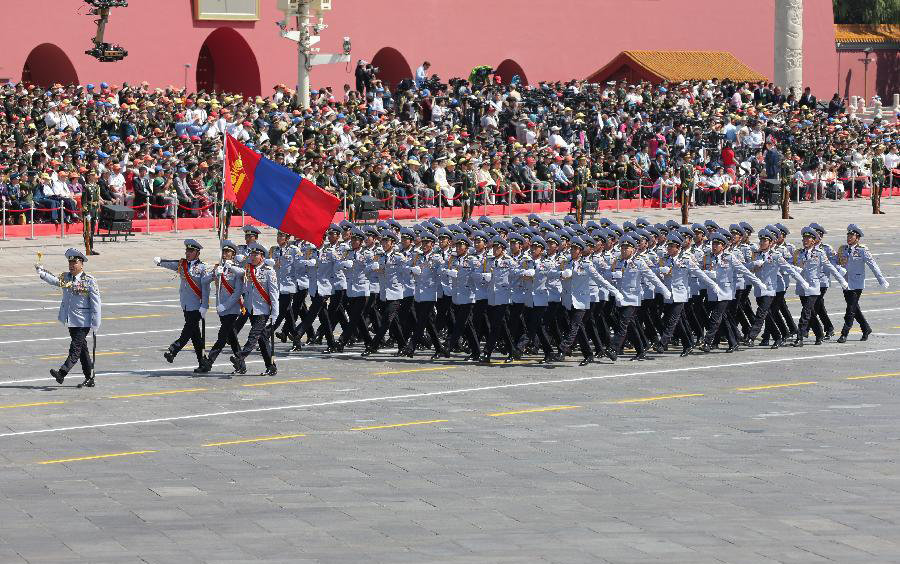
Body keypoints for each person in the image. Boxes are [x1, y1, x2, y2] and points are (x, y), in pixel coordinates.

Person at [35, 248, 101, 388]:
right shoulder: (66, 277)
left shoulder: (89, 281)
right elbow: (55, 281)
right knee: (82, 350)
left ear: (81, 264)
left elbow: (96, 303)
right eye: (70, 263)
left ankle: (62, 373)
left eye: (74, 263)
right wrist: (42, 273)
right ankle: (90, 377)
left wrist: (96, 322)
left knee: (75, 349)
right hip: (71, 320)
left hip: (83, 322)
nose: (71, 265)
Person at [154, 239, 211, 372]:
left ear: (197, 253)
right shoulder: (182, 264)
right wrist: (160, 262)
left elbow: (206, 288)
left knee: (188, 330)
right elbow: (172, 264)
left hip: (197, 306)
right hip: (185, 304)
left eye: (191, 251)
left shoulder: (203, 268)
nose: (188, 253)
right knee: (195, 336)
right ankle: (203, 363)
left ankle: (173, 350)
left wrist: (204, 305)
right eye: (187, 250)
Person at [230, 242, 279, 375]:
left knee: (253, 336)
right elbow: (240, 274)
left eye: (255, 254)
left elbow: (274, 293)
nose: (252, 257)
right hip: (251, 309)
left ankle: (240, 357)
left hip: (262, 310)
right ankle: (271, 366)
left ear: (262, 256)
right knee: (262, 339)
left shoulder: (269, 271)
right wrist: (230, 266)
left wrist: (275, 313)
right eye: (251, 254)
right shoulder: (248, 269)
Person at [835, 224, 889, 343]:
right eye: (848, 235)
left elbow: (873, 265)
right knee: (855, 309)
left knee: (850, 310)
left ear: (857, 238)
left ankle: (844, 333)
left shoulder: (862, 250)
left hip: (857, 284)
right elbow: (834, 261)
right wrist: (839, 268)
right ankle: (866, 328)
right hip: (845, 283)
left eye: (852, 236)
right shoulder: (842, 249)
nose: (849, 238)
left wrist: (881, 280)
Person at [198, 240, 244, 373]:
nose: (225, 254)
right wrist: (214, 274)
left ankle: (209, 362)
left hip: (232, 308)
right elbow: (204, 281)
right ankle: (241, 364)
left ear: (233, 255)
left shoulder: (236, 270)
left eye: (228, 252)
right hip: (221, 309)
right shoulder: (219, 268)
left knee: (222, 336)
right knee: (232, 337)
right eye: (224, 251)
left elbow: (237, 292)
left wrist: (225, 306)